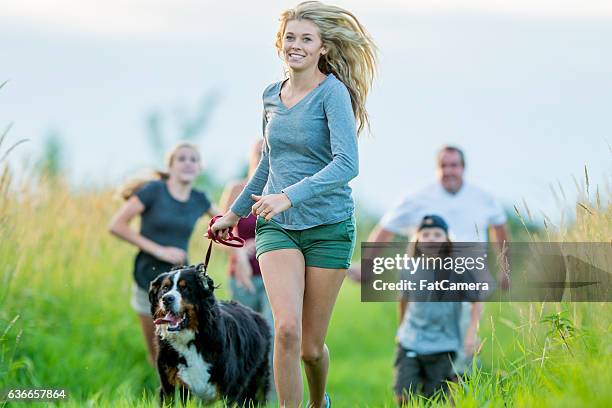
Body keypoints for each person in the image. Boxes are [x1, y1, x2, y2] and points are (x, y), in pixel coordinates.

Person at [211, 2, 377, 407]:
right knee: (285, 329)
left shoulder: (332, 93)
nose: (296, 45)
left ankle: (318, 403)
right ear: (279, 43)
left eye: (306, 39)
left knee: (310, 348)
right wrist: (235, 212)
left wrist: (289, 195)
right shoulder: (270, 95)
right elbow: (269, 161)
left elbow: (347, 164)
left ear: (323, 48)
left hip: (328, 228)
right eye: (290, 37)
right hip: (278, 228)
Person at [351, 145, 509, 377]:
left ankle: (458, 384)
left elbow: (500, 229)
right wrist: (367, 268)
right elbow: (385, 229)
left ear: (463, 168)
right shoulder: (418, 198)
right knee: (424, 342)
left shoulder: (483, 198)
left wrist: (506, 269)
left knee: (463, 344)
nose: (449, 171)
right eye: (443, 166)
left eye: (454, 165)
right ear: (436, 169)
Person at [108, 142, 218, 364]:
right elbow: (117, 225)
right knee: (158, 352)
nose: (188, 163)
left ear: (200, 168)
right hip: (147, 279)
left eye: (194, 159)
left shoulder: (200, 199)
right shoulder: (153, 191)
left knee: (185, 350)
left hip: (183, 286)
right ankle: (166, 395)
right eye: (182, 158)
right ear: (170, 166)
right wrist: (160, 250)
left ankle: (188, 395)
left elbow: (227, 223)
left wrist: (243, 245)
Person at [394, 215, 482, 405]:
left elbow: (476, 301)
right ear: (417, 240)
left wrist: (471, 334)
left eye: (437, 234)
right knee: (403, 396)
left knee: (435, 398)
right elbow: (403, 299)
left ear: (446, 239)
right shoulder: (409, 268)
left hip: (444, 344)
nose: (431, 238)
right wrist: (400, 329)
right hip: (411, 341)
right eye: (425, 234)